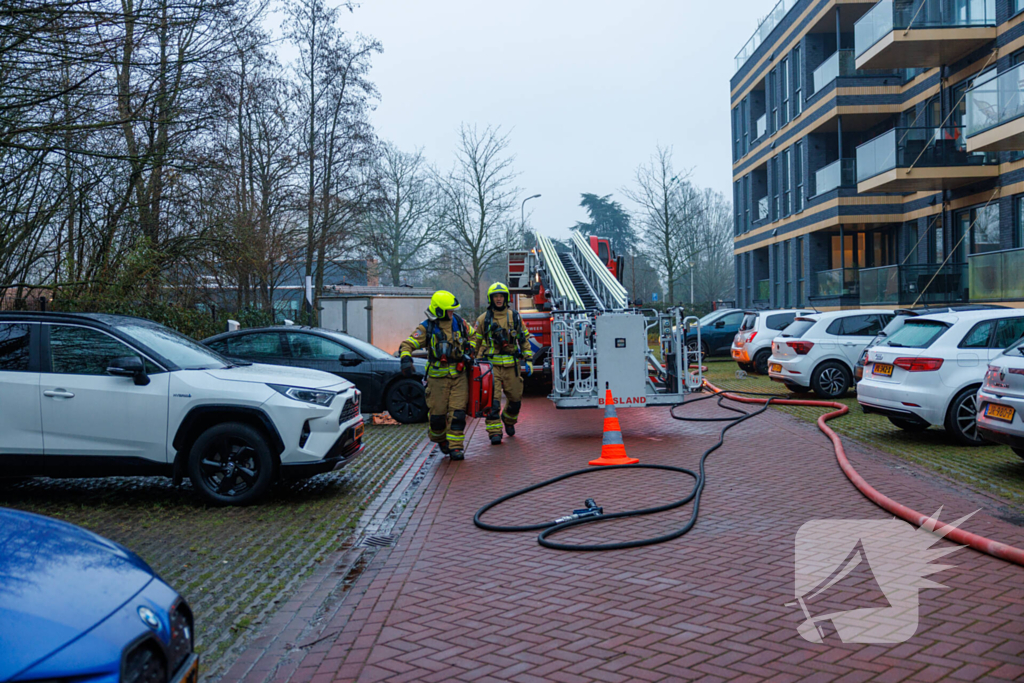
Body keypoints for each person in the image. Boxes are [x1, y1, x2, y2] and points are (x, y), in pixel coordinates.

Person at [399, 291, 476, 460]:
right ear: (439, 310)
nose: (452, 313)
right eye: (449, 310)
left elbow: (474, 336)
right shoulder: (427, 327)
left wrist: (470, 347)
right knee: (437, 418)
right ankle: (440, 438)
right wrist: (405, 359)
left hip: (459, 376)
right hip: (437, 380)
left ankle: (456, 447)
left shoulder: (460, 323)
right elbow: (408, 344)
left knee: (458, 414)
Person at [473, 282, 533, 445]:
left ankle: (508, 420)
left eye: (501, 296)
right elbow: (475, 342)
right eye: (495, 296)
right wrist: (472, 360)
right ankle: (494, 432)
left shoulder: (514, 317)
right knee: (492, 402)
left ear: (506, 298)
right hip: (490, 368)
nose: (498, 299)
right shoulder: (483, 319)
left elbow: (524, 338)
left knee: (515, 400)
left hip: (512, 367)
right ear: (491, 299)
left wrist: (528, 358)